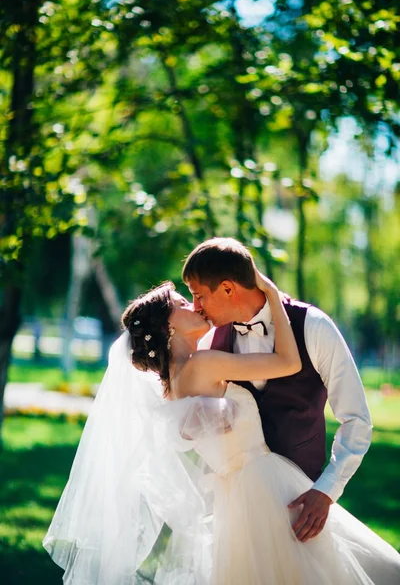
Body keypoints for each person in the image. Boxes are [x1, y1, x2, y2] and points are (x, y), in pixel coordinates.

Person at [43, 273, 400, 584]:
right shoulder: (205, 364)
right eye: (185, 302)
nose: (196, 306)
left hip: (235, 500)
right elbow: (288, 363)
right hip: (265, 486)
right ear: (169, 326)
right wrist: (274, 296)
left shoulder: (173, 385)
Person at [182, 237, 373, 543]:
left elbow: (357, 420)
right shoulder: (210, 343)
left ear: (229, 289)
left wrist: (326, 490)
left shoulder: (313, 327)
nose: (196, 307)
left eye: (199, 296)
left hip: (302, 509)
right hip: (240, 514)